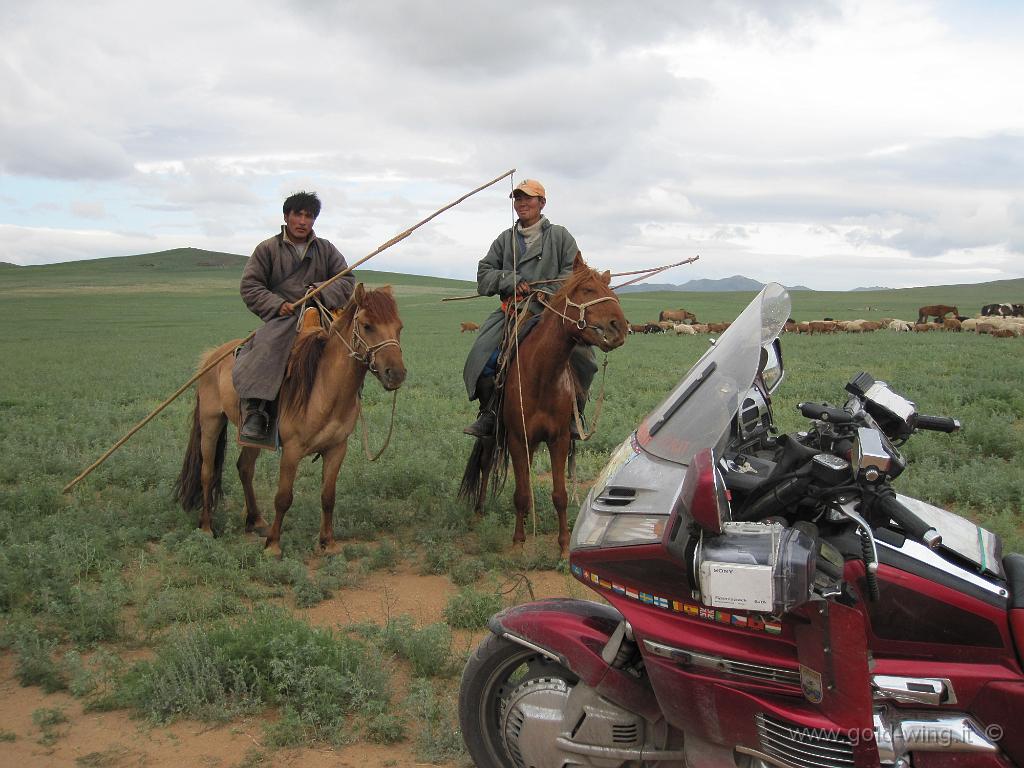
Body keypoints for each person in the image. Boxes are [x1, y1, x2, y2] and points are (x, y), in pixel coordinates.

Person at [462, 179, 597, 437]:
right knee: (480, 358)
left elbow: (574, 272)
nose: (522, 203)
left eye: (529, 198)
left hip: (552, 314)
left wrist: (548, 293)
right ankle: (490, 413)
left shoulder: (560, 236)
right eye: (518, 198)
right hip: (513, 311)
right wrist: (510, 280)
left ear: (542, 203)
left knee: (584, 359)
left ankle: (574, 414)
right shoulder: (505, 240)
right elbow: (484, 273)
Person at [233, 191, 356, 441]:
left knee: (351, 348)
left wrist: (321, 293)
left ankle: (346, 408)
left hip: (321, 314)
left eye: (308, 216)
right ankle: (258, 410)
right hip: (284, 317)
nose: (302, 221)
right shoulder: (267, 249)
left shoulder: (326, 249)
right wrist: (277, 305)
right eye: (297, 215)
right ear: (286, 216)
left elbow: (346, 281)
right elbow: (251, 286)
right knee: (267, 347)